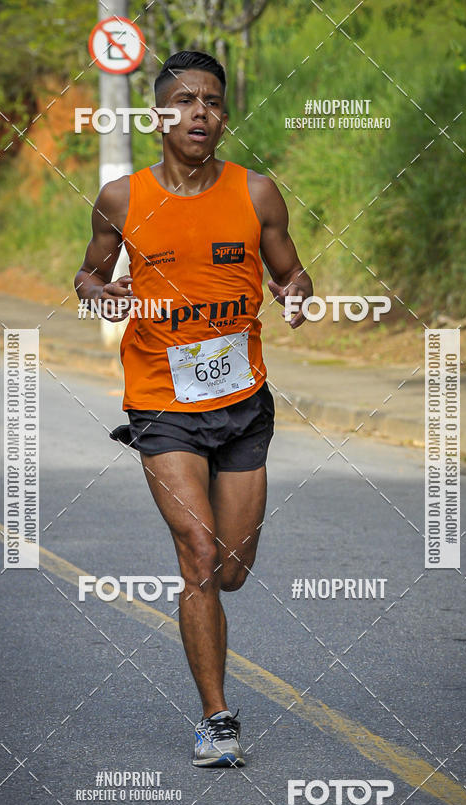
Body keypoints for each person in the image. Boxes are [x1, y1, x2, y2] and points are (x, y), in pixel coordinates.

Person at [74, 50, 312, 767]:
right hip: (161, 404)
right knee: (200, 557)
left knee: (233, 566)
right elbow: (87, 272)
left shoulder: (258, 194)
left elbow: (292, 269)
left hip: (241, 402)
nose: (198, 112)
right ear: (158, 116)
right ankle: (217, 717)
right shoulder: (122, 198)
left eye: (211, 100)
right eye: (183, 100)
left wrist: (296, 292)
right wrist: (99, 292)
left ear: (225, 115)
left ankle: (214, 671)